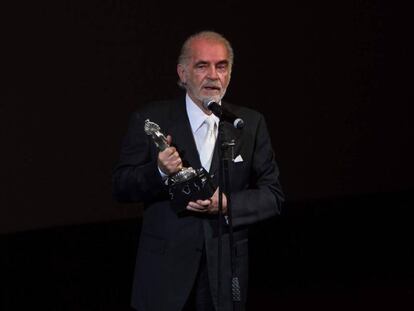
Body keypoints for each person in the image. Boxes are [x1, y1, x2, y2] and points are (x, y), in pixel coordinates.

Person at [112, 30, 284, 311]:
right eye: (202, 66)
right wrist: (158, 171)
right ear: (182, 73)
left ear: (229, 74)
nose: (213, 75)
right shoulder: (150, 119)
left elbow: (273, 195)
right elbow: (121, 186)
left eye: (221, 66)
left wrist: (228, 204)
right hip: (164, 277)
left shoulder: (248, 124)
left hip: (224, 274)